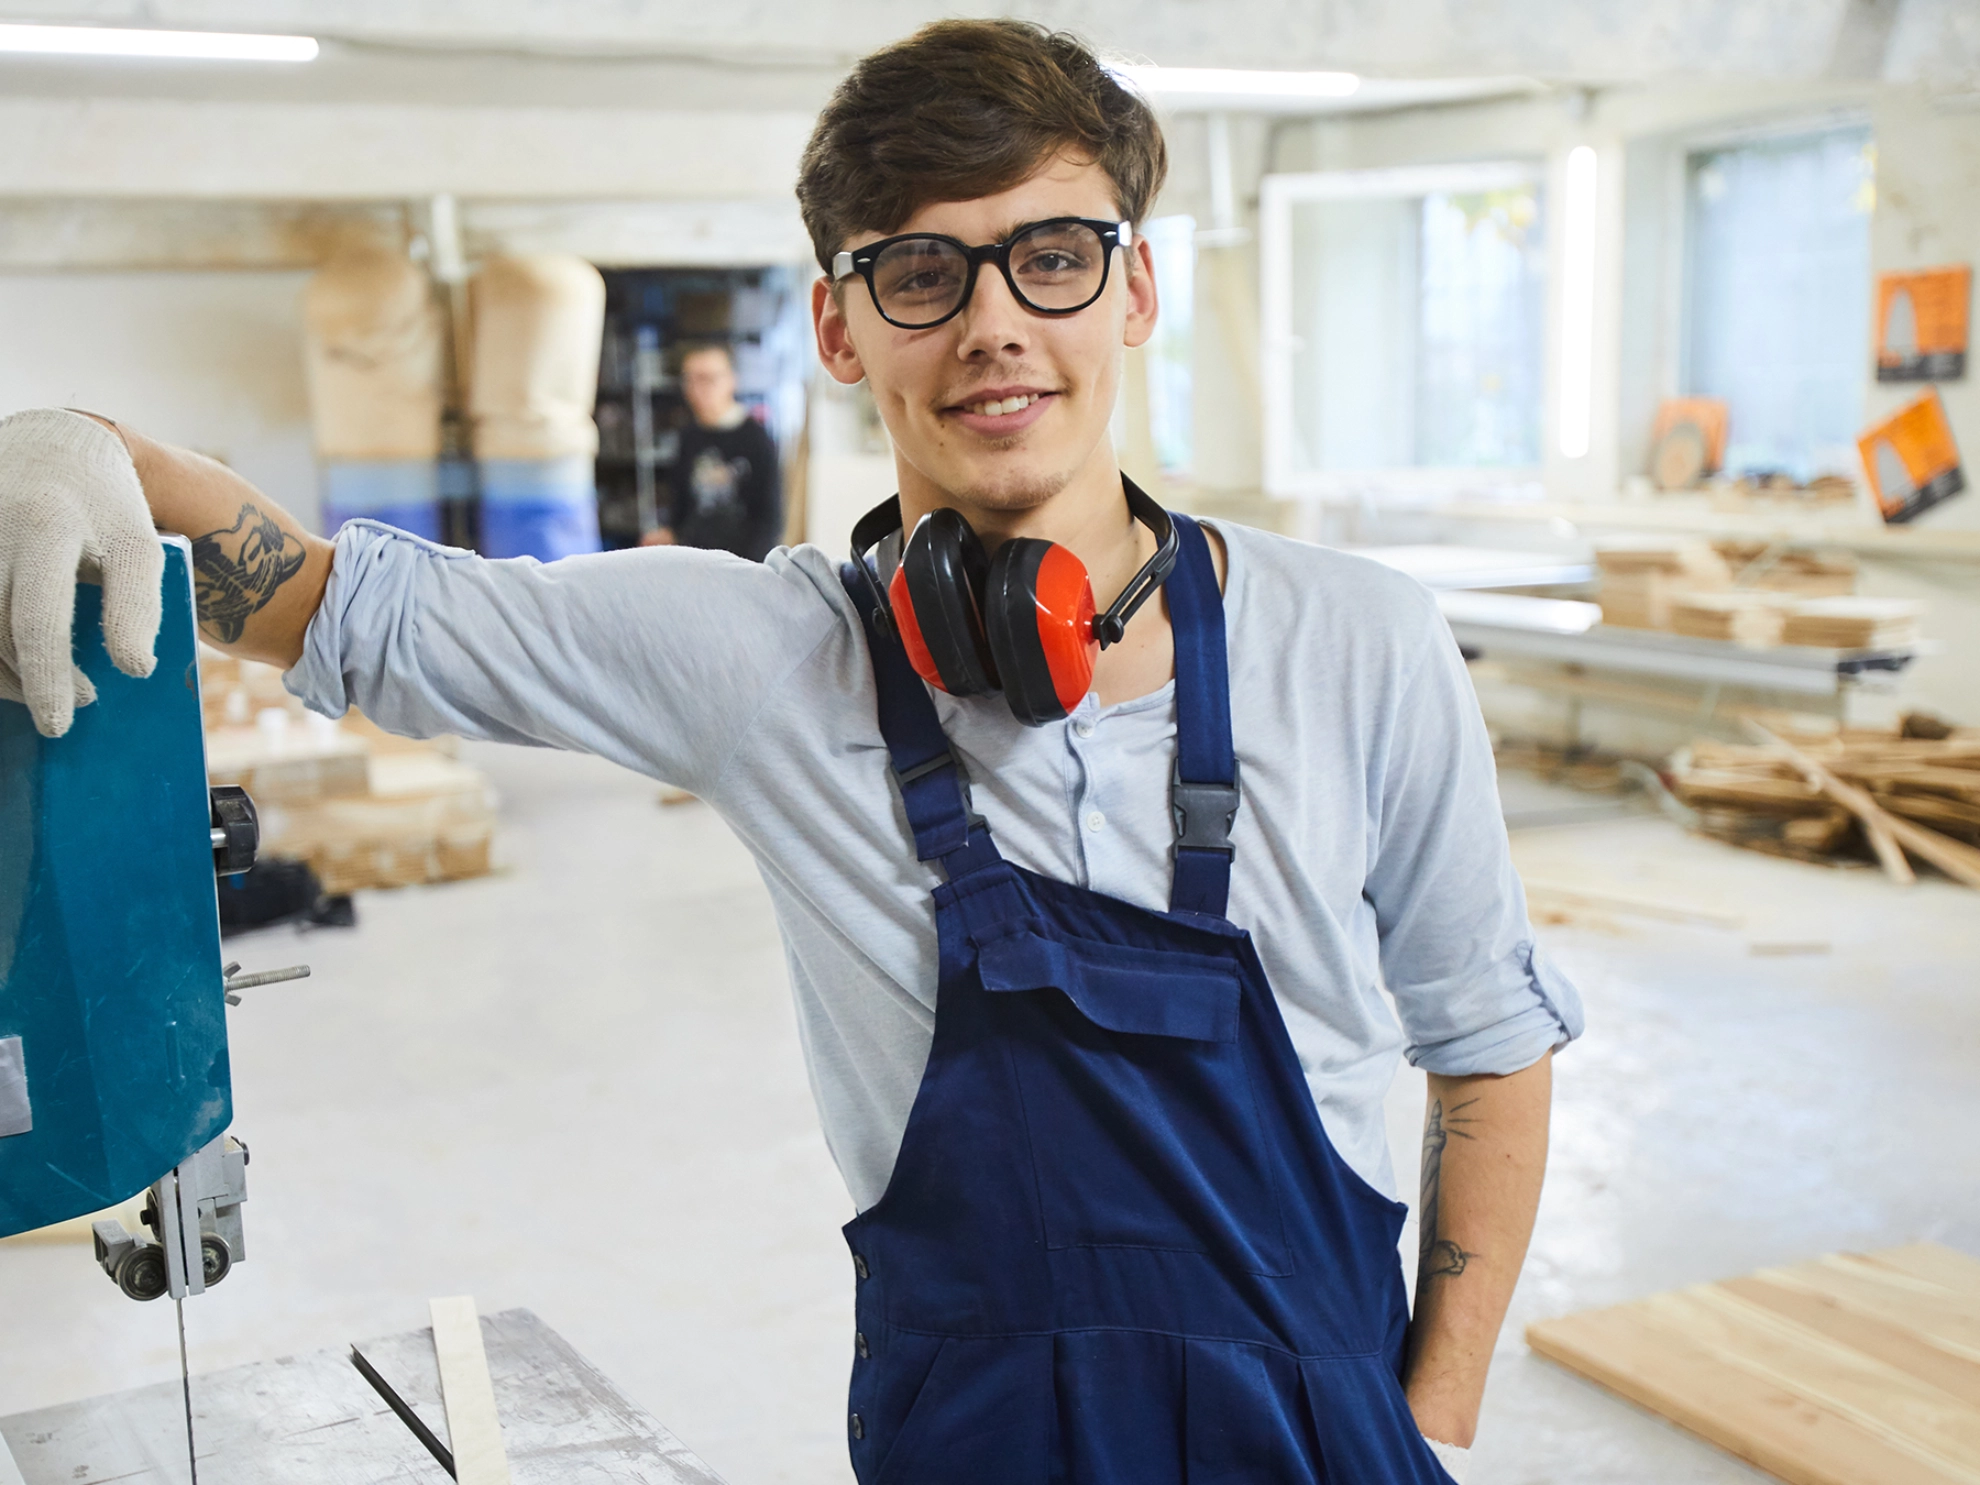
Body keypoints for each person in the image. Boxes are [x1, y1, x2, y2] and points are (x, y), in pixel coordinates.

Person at [0, 20, 1581, 1482]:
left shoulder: (1362, 641)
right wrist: (86, 450)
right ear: (837, 324)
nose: (996, 327)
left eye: (1052, 259)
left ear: (1136, 292)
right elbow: (344, 606)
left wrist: (1427, 1424)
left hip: (1324, 1440)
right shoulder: (766, 660)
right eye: (922, 273)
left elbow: (1491, 1043)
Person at [639, 342, 784, 560]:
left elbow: (769, 518)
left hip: (741, 562)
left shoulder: (756, 438)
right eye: (692, 379)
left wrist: (750, 569)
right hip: (694, 561)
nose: (701, 388)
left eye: (709, 378)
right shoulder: (688, 437)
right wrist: (667, 536)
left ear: (731, 380)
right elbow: (679, 509)